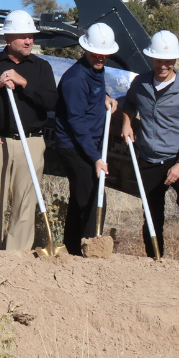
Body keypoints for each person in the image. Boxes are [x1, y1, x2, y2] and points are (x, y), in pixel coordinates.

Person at [0, 9, 58, 251]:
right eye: (23, 36)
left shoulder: (41, 67)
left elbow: (51, 102)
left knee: (25, 203)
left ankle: (17, 257)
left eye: (31, 36)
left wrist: (23, 83)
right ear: (8, 39)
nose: (29, 41)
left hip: (31, 142)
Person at [118, 31, 179, 262]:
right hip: (148, 158)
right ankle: (154, 259)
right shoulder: (140, 83)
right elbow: (130, 104)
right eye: (159, 60)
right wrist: (127, 122)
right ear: (151, 58)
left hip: (177, 157)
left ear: (175, 60)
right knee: (151, 211)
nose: (163, 66)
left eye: (168, 61)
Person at [50, 23, 119, 256]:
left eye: (104, 55)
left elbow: (91, 96)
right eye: (96, 54)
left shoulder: (95, 70)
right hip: (74, 145)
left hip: (86, 144)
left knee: (82, 196)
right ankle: (89, 249)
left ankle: (71, 248)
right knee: (92, 198)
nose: (100, 58)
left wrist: (104, 98)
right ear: (86, 50)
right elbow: (77, 122)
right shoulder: (76, 78)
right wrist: (96, 157)